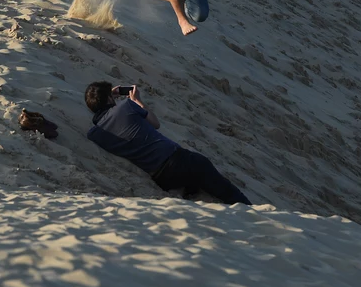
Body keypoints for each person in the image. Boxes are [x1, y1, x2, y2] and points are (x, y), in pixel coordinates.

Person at [85, 81, 252, 205]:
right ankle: (248, 208)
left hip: (161, 177)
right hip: (175, 159)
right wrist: (137, 100)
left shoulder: (95, 134)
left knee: (193, 175)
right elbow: (155, 123)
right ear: (109, 98)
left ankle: (192, 189)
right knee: (205, 169)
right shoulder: (125, 106)